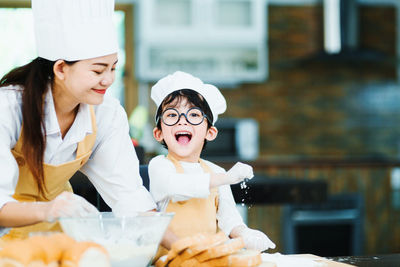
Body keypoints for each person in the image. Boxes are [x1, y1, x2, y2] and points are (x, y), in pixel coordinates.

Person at [0, 0, 157, 240]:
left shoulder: (106, 114)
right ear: (61, 68)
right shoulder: (8, 107)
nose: (108, 80)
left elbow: (130, 198)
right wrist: (50, 210)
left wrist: (182, 248)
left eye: (113, 68)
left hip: (58, 242)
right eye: (98, 70)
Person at [148, 71, 276, 256]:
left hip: (208, 259)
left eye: (193, 114)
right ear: (158, 133)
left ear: (211, 132)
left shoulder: (216, 171)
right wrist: (226, 178)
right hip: (169, 260)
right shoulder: (160, 165)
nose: (182, 121)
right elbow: (174, 186)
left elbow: (228, 219)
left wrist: (245, 234)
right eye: (171, 115)